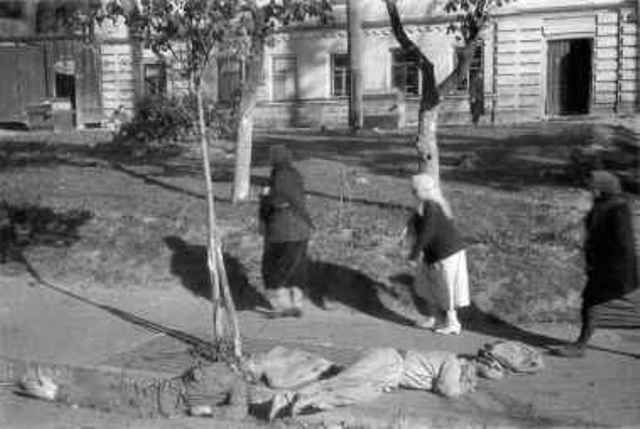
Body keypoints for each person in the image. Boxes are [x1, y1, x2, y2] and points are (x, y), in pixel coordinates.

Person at [553, 170, 639, 358]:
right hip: (607, 266)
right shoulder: (605, 204)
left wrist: (608, 267)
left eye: (593, 187)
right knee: (597, 302)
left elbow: (622, 243)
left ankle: (580, 346)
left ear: (604, 188)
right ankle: (580, 345)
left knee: (591, 303)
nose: (589, 191)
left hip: (614, 268)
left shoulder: (617, 208)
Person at [407, 174, 470, 335]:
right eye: (412, 189)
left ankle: (453, 323)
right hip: (432, 253)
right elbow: (417, 225)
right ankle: (434, 317)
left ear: (424, 190)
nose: (413, 192)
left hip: (447, 252)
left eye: (415, 190)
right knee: (427, 285)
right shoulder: (423, 205)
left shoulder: (432, 206)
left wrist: (414, 255)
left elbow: (427, 232)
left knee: (446, 287)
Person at [259, 145, 313, 317]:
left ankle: (282, 305)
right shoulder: (295, 174)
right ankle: (297, 304)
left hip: (282, 231)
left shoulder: (279, 176)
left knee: (274, 267)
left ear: (274, 159)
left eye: (271, 156)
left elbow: (277, 201)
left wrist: (265, 196)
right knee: (297, 268)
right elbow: (296, 198)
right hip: (302, 229)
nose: (269, 159)